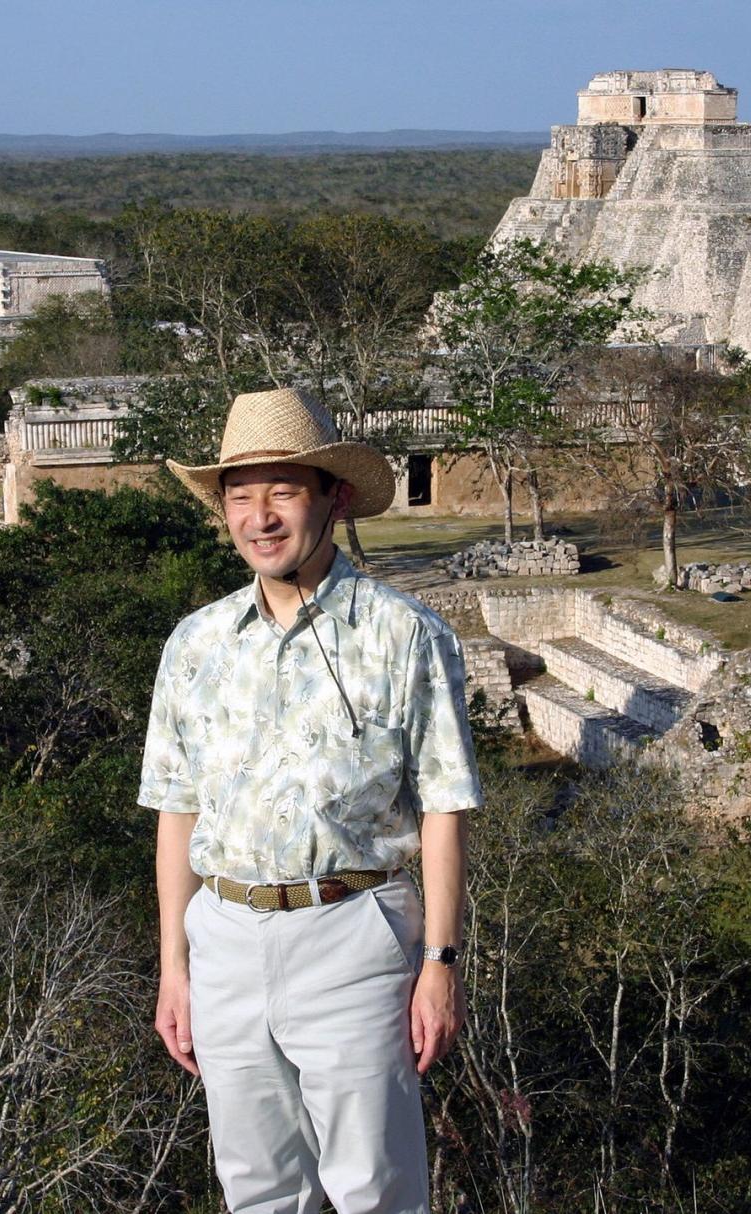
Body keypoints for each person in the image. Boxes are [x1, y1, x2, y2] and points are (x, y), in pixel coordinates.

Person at [138, 387, 483, 1214]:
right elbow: (176, 813)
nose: (260, 516)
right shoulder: (195, 644)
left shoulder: (406, 634)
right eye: (240, 494)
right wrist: (174, 966)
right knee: (257, 1189)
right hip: (222, 936)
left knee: (375, 1188)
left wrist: (440, 964)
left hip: (354, 935)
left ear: (333, 498)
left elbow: (445, 808)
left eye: (282, 491)